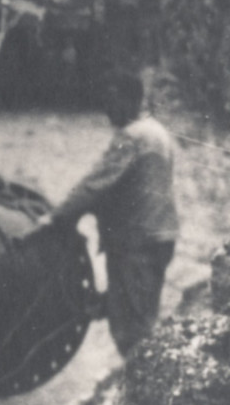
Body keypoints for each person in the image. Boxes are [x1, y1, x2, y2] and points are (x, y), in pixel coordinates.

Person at [29, 73, 178, 357]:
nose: (107, 110)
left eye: (112, 103)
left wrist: (56, 217)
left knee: (131, 332)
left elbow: (95, 184)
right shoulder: (158, 132)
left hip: (137, 244)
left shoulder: (131, 137)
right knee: (140, 316)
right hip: (160, 237)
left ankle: (143, 392)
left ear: (129, 100)